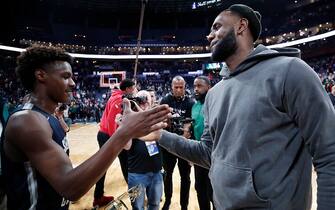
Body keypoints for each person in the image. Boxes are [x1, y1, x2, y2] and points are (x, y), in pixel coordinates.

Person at [140, 4, 335, 210]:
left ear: (241, 26)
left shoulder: (290, 72)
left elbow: (329, 154)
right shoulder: (214, 94)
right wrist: (160, 135)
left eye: (216, 27)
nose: (209, 35)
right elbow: (208, 154)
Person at [0, 46, 171, 210]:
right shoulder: (26, 121)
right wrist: (125, 132)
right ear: (41, 75)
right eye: (66, 76)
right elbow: (70, 188)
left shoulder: (49, 116)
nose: (73, 83)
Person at [93, 79, 137, 207]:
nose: (134, 90)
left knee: (103, 167)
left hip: (105, 135)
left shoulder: (116, 96)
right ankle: (134, 195)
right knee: (126, 164)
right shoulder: (119, 100)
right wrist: (117, 141)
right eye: (133, 88)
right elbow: (113, 123)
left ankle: (98, 197)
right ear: (128, 89)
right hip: (110, 136)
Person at [123, 90, 163, 210]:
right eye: (141, 102)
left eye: (147, 102)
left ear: (151, 103)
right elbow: (126, 146)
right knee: (137, 207)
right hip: (136, 173)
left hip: (156, 171)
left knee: (155, 204)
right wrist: (124, 127)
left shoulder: (157, 119)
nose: (144, 105)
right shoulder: (131, 121)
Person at [159, 76, 194, 210]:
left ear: (185, 87)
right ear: (172, 87)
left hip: (184, 144)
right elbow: (161, 119)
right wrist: (166, 120)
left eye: (181, 87)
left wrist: (185, 133)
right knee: (167, 174)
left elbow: (190, 123)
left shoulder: (190, 102)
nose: (179, 90)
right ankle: (167, 201)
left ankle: (184, 205)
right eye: (176, 87)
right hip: (168, 144)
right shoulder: (165, 100)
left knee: (185, 177)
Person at [191, 76, 215, 210]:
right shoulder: (195, 106)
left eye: (199, 86)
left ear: (209, 88)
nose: (196, 89)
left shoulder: (215, 103)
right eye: (195, 86)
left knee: (213, 191)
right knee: (200, 188)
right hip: (199, 153)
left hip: (214, 155)